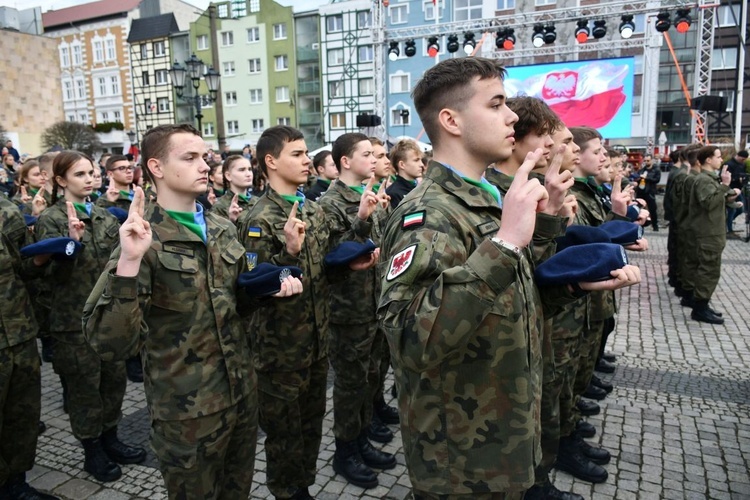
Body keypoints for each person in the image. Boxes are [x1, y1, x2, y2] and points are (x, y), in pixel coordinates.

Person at [377, 57, 641, 499]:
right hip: (463, 461)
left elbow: (506, 305)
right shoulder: (429, 216)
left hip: (503, 437)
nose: (512, 116)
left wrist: (571, 286)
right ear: (451, 120)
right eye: (496, 104)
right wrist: (503, 246)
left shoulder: (484, 198)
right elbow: (407, 337)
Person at [83, 124, 303, 499]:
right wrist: (130, 263)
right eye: (189, 158)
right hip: (187, 411)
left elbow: (236, 301)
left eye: (205, 157)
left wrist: (276, 279)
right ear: (156, 167)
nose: (204, 165)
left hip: (240, 395)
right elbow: (111, 343)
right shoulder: (142, 237)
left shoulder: (218, 226)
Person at [237, 125, 379, 499]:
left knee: (311, 424)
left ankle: (303, 485)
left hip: (316, 343)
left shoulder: (312, 210)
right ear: (271, 161)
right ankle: (288, 491)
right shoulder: (259, 219)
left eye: (305, 154)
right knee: (284, 433)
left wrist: (352, 255)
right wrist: (289, 253)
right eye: (297, 154)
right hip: (279, 350)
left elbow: (329, 263)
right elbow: (253, 287)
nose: (307, 161)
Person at [35, 151, 146, 483]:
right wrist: (72, 245)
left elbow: (120, 260)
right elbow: (46, 277)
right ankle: (92, 450)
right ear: (60, 181)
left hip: (107, 316)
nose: (89, 178)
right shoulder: (51, 219)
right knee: (85, 389)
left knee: (113, 383)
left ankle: (111, 438)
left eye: (91, 172)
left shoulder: (104, 216)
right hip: (73, 321)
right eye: (80, 174)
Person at [318, 132, 395, 490]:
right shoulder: (330, 203)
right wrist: (362, 218)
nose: (374, 159)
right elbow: (332, 258)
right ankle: (345, 449)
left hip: (374, 304)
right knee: (350, 385)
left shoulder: (370, 194)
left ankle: (362, 438)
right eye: (366, 154)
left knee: (370, 378)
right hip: (348, 310)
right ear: (345, 162)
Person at [0, 196, 60, 500]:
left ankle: (16, 483)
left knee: (22, 413)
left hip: (19, 333)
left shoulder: (7, 211)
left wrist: (40, 259)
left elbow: (25, 270)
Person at [681, 145, 738, 324]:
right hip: (707, 233)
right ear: (708, 160)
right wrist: (725, 186)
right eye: (718, 157)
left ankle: (702, 305)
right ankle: (700, 307)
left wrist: (727, 193)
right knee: (709, 270)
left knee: (709, 269)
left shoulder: (707, 179)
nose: (721, 160)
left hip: (711, 231)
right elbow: (708, 202)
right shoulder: (704, 180)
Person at [210, 155, 256, 222]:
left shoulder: (259, 201)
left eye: (250, 169)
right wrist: (232, 221)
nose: (248, 174)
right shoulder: (220, 207)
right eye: (242, 170)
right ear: (228, 176)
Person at [386, 139, 423, 208]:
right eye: (416, 160)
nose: (421, 164)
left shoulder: (421, 188)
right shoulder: (393, 194)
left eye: (421, 160)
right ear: (402, 165)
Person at [724, 150, 748, 235]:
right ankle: (728, 229)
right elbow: (724, 177)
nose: (743, 161)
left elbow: (743, 174)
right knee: (732, 210)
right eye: (742, 159)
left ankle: (727, 223)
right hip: (730, 189)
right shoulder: (729, 164)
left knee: (740, 209)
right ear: (737, 156)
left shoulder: (743, 164)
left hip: (739, 189)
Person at [637, 154, 661, 231]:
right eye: (645, 161)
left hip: (650, 192)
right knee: (639, 209)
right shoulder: (642, 170)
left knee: (652, 209)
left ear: (652, 160)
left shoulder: (656, 169)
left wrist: (647, 178)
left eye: (648, 160)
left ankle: (655, 225)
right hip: (641, 191)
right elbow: (637, 178)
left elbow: (657, 179)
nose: (646, 162)